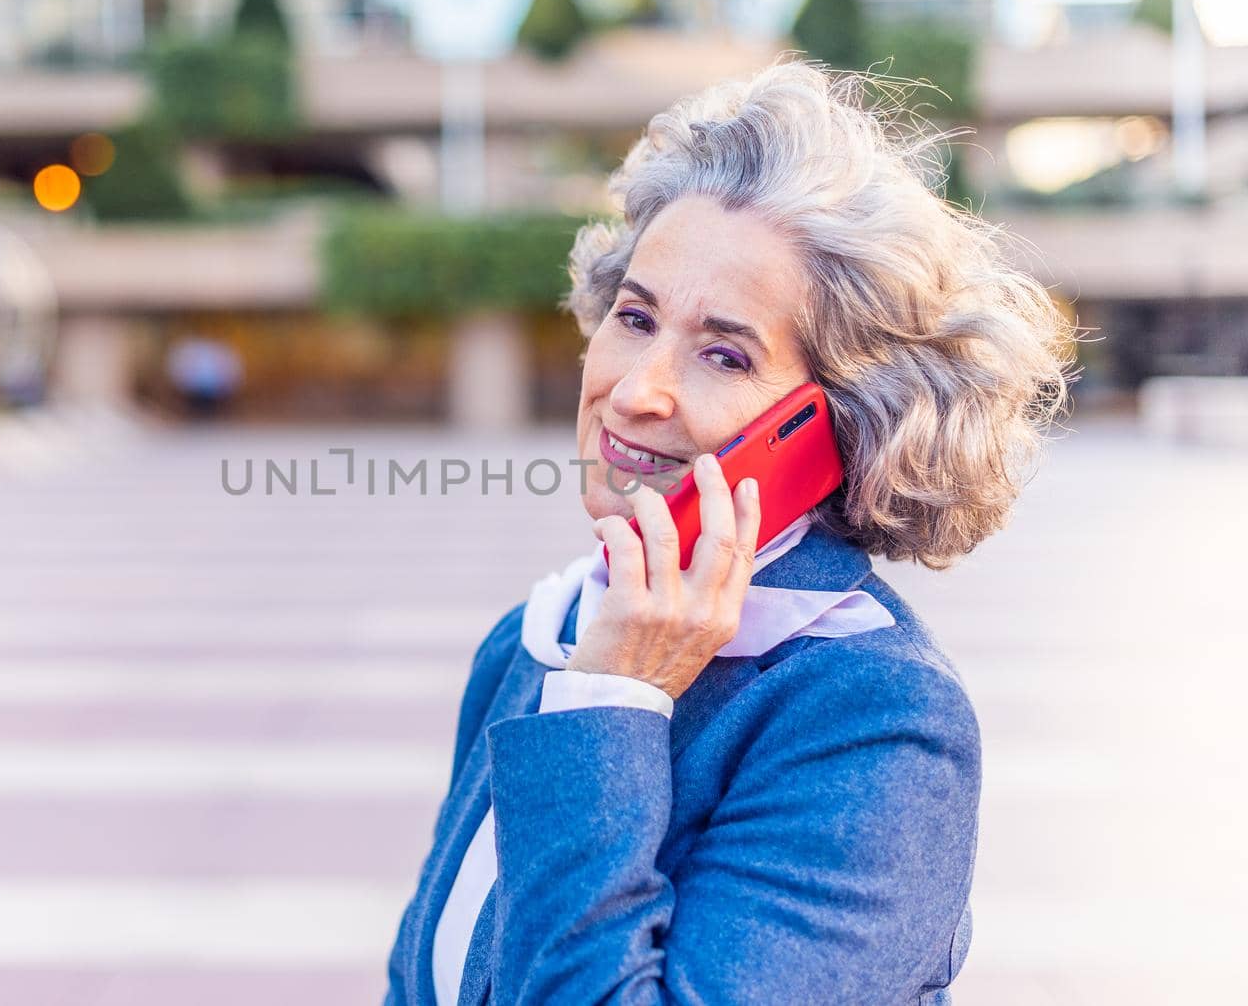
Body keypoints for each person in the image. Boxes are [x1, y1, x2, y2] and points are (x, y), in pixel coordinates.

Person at [382, 60, 1077, 1005]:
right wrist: (601, 676)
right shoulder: (538, 640)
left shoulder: (871, 718)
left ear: (838, 424)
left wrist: (614, 706)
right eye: (634, 317)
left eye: (723, 352)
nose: (635, 391)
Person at [165, 336, 243, 419]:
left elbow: (229, 369)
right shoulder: (191, 350)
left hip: (213, 391)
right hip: (194, 391)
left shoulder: (220, 350)